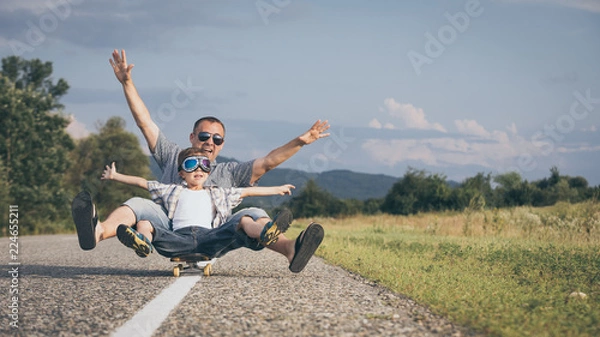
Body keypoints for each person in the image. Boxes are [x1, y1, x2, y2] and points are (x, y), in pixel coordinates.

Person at [71, 49, 329, 271]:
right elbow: (145, 123)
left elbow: (269, 161)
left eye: (217, 139)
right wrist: (127, 83)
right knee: (137, 204)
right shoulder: (173, 156)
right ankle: (98, 232)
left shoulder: (231, 171)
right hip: (170, 230)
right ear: (192, 137)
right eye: (205, 136)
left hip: (215, 232)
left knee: (252, 213)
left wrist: (301, 141)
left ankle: (290, 249)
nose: (210, 142)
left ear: (222, 145)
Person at [100, 147, 323, 273]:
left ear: (209, 171)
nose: (198, 169)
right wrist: (115, 176)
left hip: (212, 239)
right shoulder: (170, 190)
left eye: (204, 165)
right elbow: (142, 182)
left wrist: (277, 189)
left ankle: (265, 232)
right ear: (181, 173)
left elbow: (248, 193)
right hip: (176, 239)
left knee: (244, 220)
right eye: (190, 165)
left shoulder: (218, 192)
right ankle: (143, 242)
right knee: (147, 223)